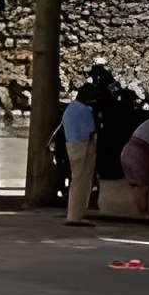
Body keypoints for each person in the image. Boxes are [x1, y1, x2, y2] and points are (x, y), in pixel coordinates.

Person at [62, 89, 100, 226]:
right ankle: (76, 215)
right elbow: (91, 130)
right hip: (83, 145)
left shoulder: (69, 109)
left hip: (71, 144)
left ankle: (74, 214)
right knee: (82, 181)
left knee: (76, 179)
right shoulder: (85, 110)